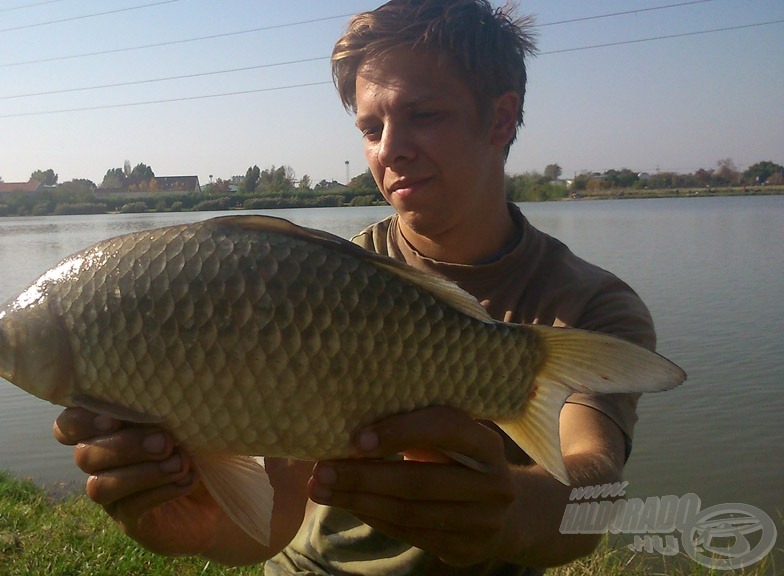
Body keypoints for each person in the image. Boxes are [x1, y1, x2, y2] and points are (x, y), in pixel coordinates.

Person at [53, 1, 658, 573]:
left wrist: (511, 511)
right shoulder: (310, 281)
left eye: (423, 115)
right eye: (371, 128)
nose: (390, 151)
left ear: (499, 118)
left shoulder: (587, 305)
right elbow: (277, 509)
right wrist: (195, 527)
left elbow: (596, 492)